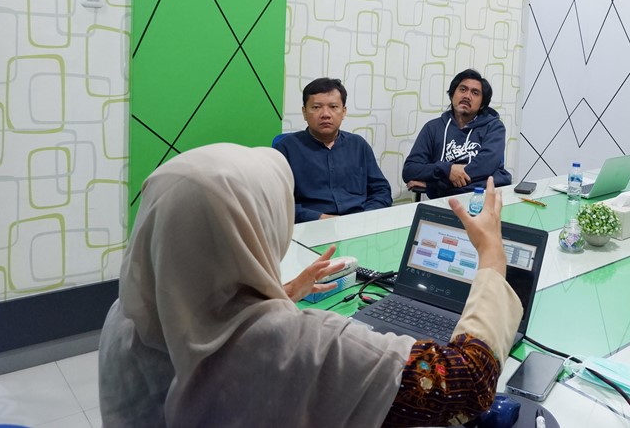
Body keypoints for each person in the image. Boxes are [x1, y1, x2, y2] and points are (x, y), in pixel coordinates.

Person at [98, 143, 521, 428]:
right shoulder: (300, 347)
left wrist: (278, 294)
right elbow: (466, 384)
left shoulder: (124, 317)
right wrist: (490, 257)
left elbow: (200, 321)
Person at [274, 77, 392, 222]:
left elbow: (381, 190)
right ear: (304, 112)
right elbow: (277, 201)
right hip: (311, 225)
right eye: (316, 107)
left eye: (333, 107)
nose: (325, 114)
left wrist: (366, 215)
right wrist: (320, 218)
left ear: (344, 111)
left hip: (359, 223)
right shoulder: (286, 148)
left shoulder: (358, 145)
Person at [402, 68, 512, 198]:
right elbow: (410, 170)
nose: (467, 96)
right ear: (452, 95)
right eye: (463, 89)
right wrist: (447, 169)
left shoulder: (494, 127)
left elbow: (485, 167)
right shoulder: (433, 128)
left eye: (475, 93)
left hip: (484, 200)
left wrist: (434, 185)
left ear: (482, 104)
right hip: (444, 204)